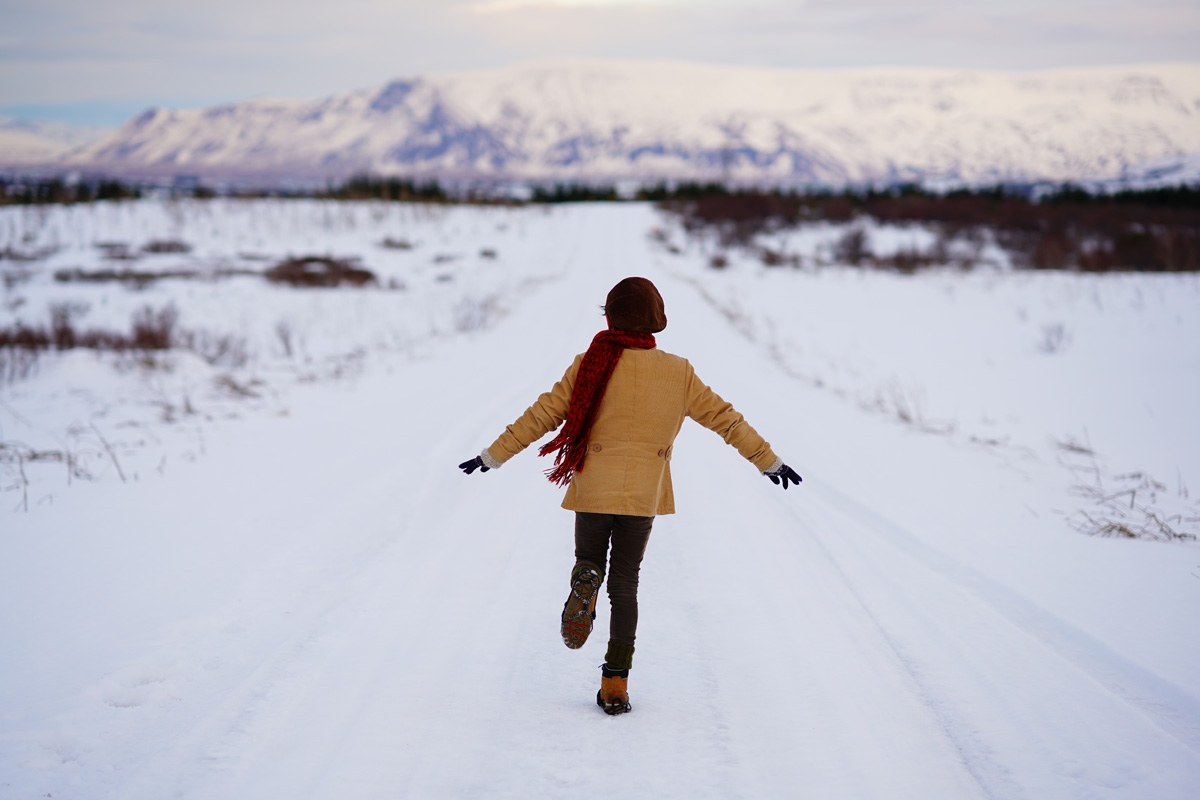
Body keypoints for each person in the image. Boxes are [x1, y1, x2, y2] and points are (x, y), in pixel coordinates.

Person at [458, 277, 801, 715]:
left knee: (590, 561)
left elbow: (542, 414)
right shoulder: (679, 372)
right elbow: (726, 420)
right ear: (657, 320)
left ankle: (585, 579)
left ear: (611, 316)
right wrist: (768, 460)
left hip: (594, 487)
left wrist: (492, 456)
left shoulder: (589, 364)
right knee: (625, 585)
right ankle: (615, 683)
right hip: (642, 493)